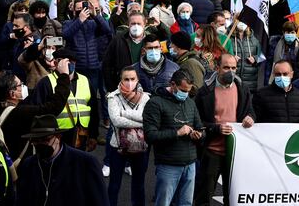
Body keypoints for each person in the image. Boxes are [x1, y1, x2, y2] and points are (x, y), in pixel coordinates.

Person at [194, 54, 255, 206]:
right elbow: (196, 121)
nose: (231, 71)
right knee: (204, 196)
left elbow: (250, 111)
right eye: (226, 67)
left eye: (233, 68)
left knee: (233, 196)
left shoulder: (243, 89)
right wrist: (216, 128)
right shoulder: (205, 92)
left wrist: (250, 117)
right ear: (217, 68)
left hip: (234, 153)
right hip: (212, 151)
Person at [16, 114, 110, 206]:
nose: (40, 144)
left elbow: (100, 201)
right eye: (36, 141)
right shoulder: (28, 165)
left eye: (45, 139)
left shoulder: (86, 163)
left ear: (58, 137)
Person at [143, 70, 204, 206]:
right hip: (168, 165)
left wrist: (199, 135)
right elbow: (150, 135)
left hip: (190, 164)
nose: (186, 94)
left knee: (186, 203)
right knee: (164, 203)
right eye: (183, 90)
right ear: (173, 84)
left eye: (188, 90)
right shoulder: (155, 103)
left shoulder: (190, 103)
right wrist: (177, 133)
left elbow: (200, 127)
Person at [0, 60, 70, 161]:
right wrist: (64, 76)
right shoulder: (19, 113)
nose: (23, 87)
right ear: (12, 94)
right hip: (18, 168)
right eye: (20, 85)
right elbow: (53, 107)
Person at [31, 48, 99, 151]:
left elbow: (94, 110)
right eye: (63, 61)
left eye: (70, 61)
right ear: (55, 62)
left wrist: (93, 135)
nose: (67, 64)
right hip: (57, 136)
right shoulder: (46, 83)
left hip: (81, 136)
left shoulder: (85, 80)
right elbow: (38, 112)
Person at [107, 66, 150, 206]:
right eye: (126, 79)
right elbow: (116, 120)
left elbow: (147, 119)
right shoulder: (113, 97)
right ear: (121, 80)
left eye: (132, 79)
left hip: (140, 147)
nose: (129, 82)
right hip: (118, 147)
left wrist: (124, 113)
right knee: (114, 184)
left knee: (139, 185)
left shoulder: (146, 97)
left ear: (137, 79)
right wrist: (140, 122)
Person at [63, 0, 111, 95]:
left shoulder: (92, 23)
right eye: (79, 8)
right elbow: (66, 35)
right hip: (77, 67)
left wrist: (96, 15)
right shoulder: (68, 23)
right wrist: (79, 20)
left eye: (84, 8)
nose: (82, 11)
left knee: (92, 95)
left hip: (93, 67)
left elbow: (106, 30)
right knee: (78, 94)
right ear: (74, 10)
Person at [103, 11, 147, 92]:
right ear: (128, 24)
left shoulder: (150, 41)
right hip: (121, 86)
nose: (136, 26)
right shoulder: (118, 40)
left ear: (144, 24)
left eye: (139, 23)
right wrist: (111, 87)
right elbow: (107, 64)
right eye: (133, 23)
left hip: (144, 86)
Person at [170, 31, 205, 95]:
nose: (170, 46)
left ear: (178, 47)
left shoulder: (191, 63)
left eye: (172, 44)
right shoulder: (181, 60)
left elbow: (198, 88)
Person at [232, 21, 261, 94]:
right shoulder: (229, 37)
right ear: (235, 21)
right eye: (239, 20)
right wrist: (231, 58)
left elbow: (262, 56)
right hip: (233, 79)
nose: (242, 23)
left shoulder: (255, 38)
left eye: (244, 21)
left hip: (250, 81)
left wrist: (255, 59)